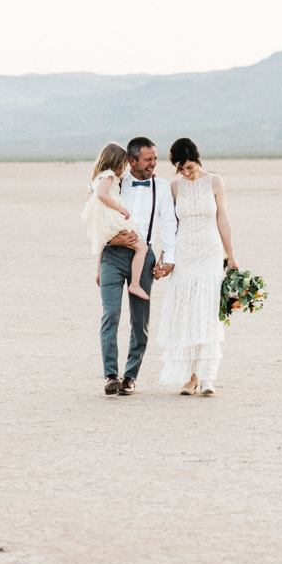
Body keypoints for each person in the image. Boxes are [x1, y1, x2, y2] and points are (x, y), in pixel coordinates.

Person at [150, 137, 237, 396]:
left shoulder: (215, 182)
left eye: (190, 167)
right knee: (186, 313)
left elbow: (223, 218)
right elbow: (171, 226)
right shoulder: (175, 187)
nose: (186, 173)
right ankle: (190, 378)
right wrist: (165, 256)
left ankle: (207, 377)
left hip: (210, 253)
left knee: (207, 313)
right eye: (181, 169)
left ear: (197, 160)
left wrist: (231, 255)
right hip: (185, 255)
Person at [95, 136, 175, 396]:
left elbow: (170, 226)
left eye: (155, 158)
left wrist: (168, 260)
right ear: (131, 160)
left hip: (145, 255)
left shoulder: (161, 187)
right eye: (147, 159)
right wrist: (107, 247)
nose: (153, 163)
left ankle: (130, 376)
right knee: (111, 315)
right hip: (112, 254)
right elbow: (97, 219)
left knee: (140, 321)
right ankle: (110, 375)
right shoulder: (115, 183)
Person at [81, 143, 148, 302]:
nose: (124, 169)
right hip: (112, 218)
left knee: (103, 242)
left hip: (106, 220)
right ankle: (135, 284)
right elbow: (101, 194)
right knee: (142, 247)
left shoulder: (102, 176)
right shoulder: (109, 174)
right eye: (123, 165)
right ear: (116, 162)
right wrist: (120, 208)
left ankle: (100, 271)